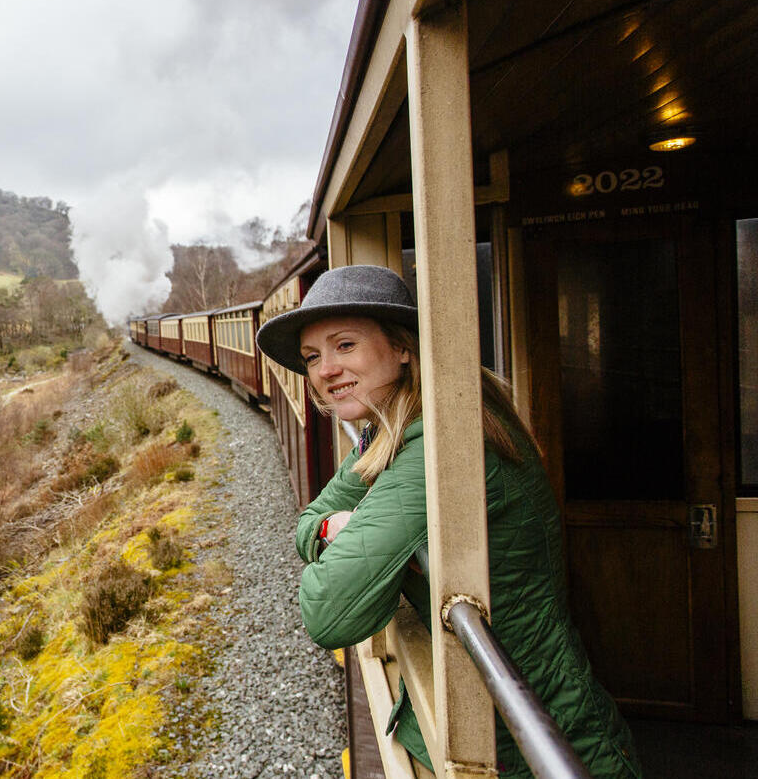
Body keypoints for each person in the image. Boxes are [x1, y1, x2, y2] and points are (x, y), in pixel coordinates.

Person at [254, 265, 641, 779]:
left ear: (402, 347)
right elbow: (309, 522)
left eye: (344, 345)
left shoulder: (438, 444)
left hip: (534, 744)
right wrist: (332, 529)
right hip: (502, 723)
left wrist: (349, 533)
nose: (325, 370)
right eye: (312, 357)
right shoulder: (390, 429)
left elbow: (328, 612)